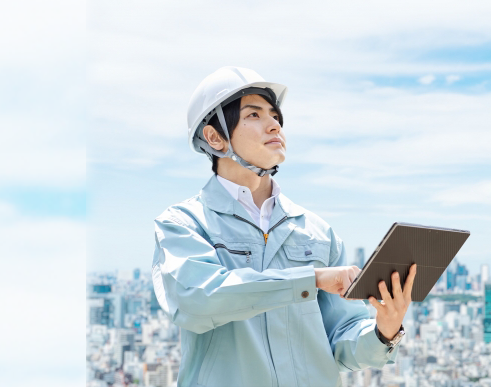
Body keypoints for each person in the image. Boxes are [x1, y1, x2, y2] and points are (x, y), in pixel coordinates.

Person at [151, 66, 415, 387]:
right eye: (253, 114)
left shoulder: (318, 233)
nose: (274, 124)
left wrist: (384, 331)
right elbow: (197, 299)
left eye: (275, 116)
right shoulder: (183, 224)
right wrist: (311, 279)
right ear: (215, 137)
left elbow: (340, 342)